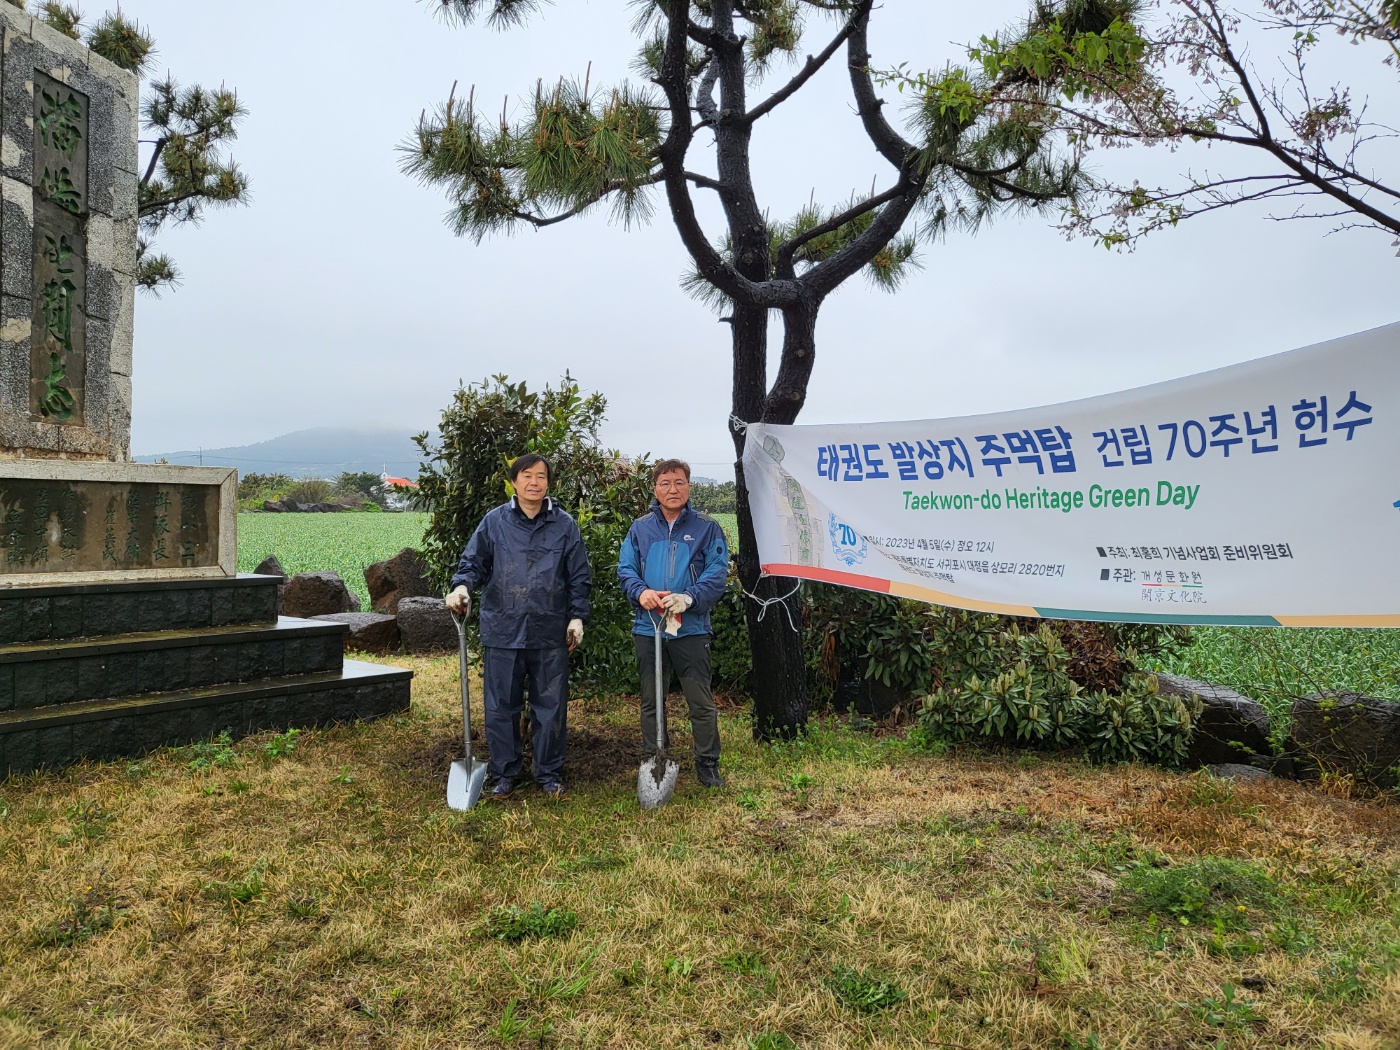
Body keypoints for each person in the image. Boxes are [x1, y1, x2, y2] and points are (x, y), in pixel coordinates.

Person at [445, 454, 590, 800]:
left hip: (550, 629)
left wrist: (577, 616)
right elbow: (472, 563)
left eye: (541, 476)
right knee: (500, 706)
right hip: (503, 628)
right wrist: (462, 587)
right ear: (514, 481)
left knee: (551, 705)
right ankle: (504, 773)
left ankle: (549, 773)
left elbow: (579, 576)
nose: (534, 482)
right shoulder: (494, 522)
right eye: (527, 476)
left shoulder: (565, 525)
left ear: (548, 483)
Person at [617, 459, 730, 788]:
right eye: (665, 483)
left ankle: (707, 763)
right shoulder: (640, 528)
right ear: (655, 488)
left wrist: (689, 598)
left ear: (689, 487)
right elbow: (626, 569)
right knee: (652, 698)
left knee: (700, 700)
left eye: (679, 482)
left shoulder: (707, 528)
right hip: (648, 626)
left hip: (690, 628)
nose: (672, 489)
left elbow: (717, 572)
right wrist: (641, 593)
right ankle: (654, 757)